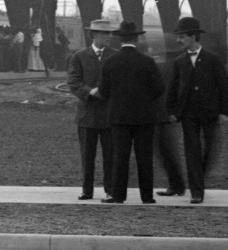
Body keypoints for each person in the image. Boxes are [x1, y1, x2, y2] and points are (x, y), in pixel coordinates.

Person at [166, 16, 228, 204]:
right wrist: (171, 110)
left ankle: (198, 177)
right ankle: (196, 192)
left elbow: (224, 86)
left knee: (209, 150)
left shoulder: (213, 60)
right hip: (188, 114)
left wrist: (223, 111)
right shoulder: (179, 62)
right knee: (191, 151)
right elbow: (173, 88)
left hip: (211, 113)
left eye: (182, 37)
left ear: (193, 37)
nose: (178, 40)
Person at [98, 20, 165, 205]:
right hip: (144, 117)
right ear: (136, 38)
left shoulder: (110, 62)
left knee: (120, 157)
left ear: (120, 39)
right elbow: (159, 89)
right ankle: (147, 197)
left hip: (119, 117)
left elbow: (103, 91)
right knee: (145, 157)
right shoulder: (148, 62)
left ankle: (119, 196)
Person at [66, 19, 118, 201]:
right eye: (104, 34)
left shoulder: (115, 56)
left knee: (110, 156)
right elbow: (73, 82)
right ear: (94, 35)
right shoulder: (79, 57)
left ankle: (110, 190)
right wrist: (89, 91)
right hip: (87, 115)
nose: (108, 37)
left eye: (109, 33)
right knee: (87, 156)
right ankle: (87, 190)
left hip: (109, 116)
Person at [154, 48, 187, 198]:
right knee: (166, 151)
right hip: (166, 114)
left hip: (162, 114)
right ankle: (177, 184)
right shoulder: (176, 65)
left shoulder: (164, 66)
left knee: (166, 151)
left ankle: (177, 184)